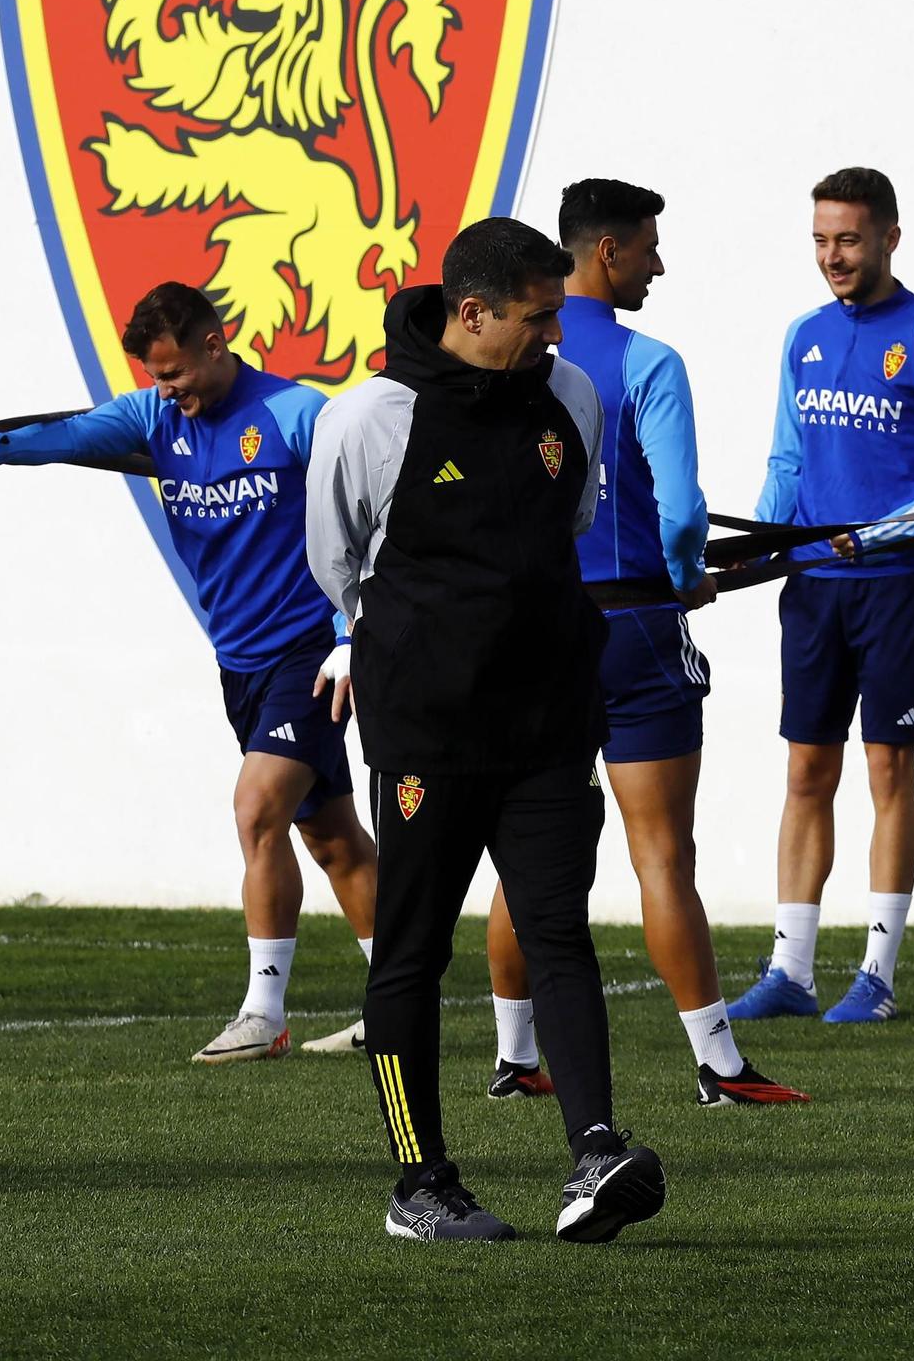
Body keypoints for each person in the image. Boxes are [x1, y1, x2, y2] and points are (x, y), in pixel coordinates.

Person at [306, 217, 666, 1245]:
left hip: (551, 719)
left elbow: (565, 529)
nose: (556, 332)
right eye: (538, 315)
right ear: (472, 312)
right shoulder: (369, 418)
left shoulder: (570, 395)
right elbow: (338, 564)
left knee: (558, 932)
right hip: (428, 733)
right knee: (410, 953)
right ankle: (419, 1182)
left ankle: (594, 1150)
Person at [0, 280, 377, 1064]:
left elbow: (362, 513)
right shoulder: (153, 419)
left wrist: (352, 630)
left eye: (174, 372)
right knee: (332, 838)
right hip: (238, 662)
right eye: (154, 376)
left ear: (215, 344)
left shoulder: (296, 414)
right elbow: (71, 435)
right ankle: (395, 996)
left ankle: (263, 1013)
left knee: (256, 811)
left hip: (307, 656)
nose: (165, 389)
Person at [483, 182, 808, 1108]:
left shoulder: (502, 352)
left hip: (528, 634)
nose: (658, 265)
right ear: (606, 253)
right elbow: (678, 515)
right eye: (648, 249)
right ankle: (717, 1064)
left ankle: (513, 1059)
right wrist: (687, 573)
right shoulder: (648, 361)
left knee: (524, 853)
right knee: (662, 854)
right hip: (629, 628)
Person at [729, 167, 914, 1025]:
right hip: (812, 586)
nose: (830, 256)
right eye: (818, 240)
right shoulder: (802, 335)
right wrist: (764, 547)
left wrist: (879, 532)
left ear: (888, 237)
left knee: (887, 767)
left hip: (896, 585)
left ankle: (875, 977)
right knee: (806, 767)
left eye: (845, 239)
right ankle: (791, 972)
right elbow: (786, 461)